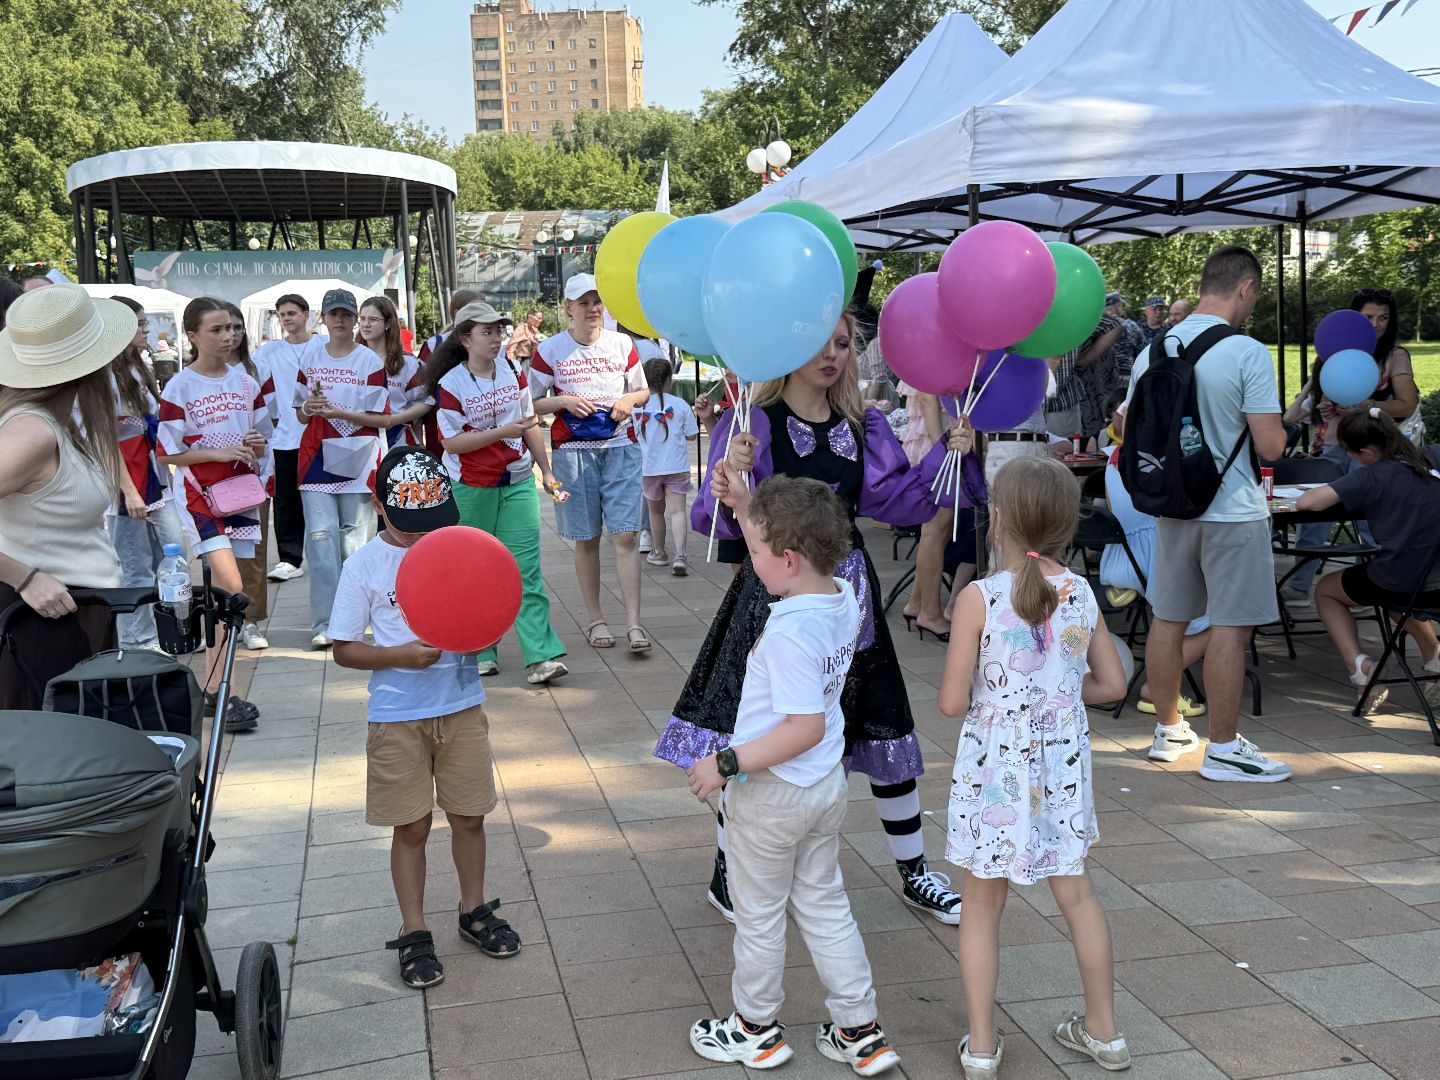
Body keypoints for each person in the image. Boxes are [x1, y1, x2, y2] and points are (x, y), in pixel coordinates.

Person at [655, 312, 980, 926]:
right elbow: (711, 519)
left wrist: (947, 453)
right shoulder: (751, 422)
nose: (833, 355)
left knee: (882, 721)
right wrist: (737, 471)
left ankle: (914, 871)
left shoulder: (865, 424)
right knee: (756, 732)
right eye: (818, 343)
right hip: (770, 602)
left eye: (843, 344)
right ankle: (728, 871)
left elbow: (898, 499)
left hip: (849, 604)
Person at [684, 473, 902, 1076]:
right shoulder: (841, 597)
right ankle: (861, 1031)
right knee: (825, 904)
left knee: (758, 914)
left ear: (786, 559)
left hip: (774, 794)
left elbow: (801, 726)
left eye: (754, 552)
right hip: (823, 788)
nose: (749, 562)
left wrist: (724, 763)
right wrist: (743, 506)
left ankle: (754, 1028)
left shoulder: (787, 632)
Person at [938, 456, 1130, 1079]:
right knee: (1077, 894)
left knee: (981, 904)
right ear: (1066, 524)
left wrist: (1003, 705)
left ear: (997, 519)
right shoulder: (1081, 595)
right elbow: (1113, 682)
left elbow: (952, 701)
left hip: (995, 769)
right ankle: (1104, 1033)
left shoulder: (978, 599)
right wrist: (1060, 699)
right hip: (1063, 767)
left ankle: (984, 1046)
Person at [329, 445, 519, 990]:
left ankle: (474, 910)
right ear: (380, 506)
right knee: (410, 826)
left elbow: (487, 611)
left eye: (432, 523)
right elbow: (344, 648)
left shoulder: (456, 550)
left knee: (470, 815)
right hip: (396, 715)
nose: (421, 536)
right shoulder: (364, 563)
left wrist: (486, 629)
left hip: (460, 707)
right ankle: (414, 930)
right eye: (411, 525)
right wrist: (398, 656)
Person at [1123, 245, 1290, 781]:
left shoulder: (1155, 349)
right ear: (1244, 288)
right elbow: (1270, 447)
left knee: (1168, 617)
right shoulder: (1246, 352)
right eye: (1254, 296)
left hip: (1172, 506)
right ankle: (1223, 747)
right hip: (1233, 510)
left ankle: (1169, 730)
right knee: (1230, 627)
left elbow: (1127, 428)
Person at [0, 285, 127, 709]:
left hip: (69, 616)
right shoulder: (32, 430)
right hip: (41, 622)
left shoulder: (53, 423)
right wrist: (23, 576)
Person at [431, 300, 569, 686]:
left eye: (498, 331)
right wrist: (499, 433)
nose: (496, 339)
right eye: (486, 332)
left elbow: (528, 426)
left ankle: (541, 655)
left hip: (518, 482)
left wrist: (547, 471)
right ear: (465, 339)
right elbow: (452, 443)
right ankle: (481, 649)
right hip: (471, 487)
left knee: (525, 570)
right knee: (476, 572)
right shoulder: (450, 384)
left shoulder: (513, 371)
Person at [157, 297, 271, 731]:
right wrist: (216, 451)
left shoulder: (245, 381)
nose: (228, 336)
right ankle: (221, 692)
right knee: (230, 587)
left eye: (232, 328)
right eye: (217, 329)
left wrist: (255, 444)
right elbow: (166, 451)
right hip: (198, 498)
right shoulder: (179, 386)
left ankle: (216, 691)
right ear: (192, 335)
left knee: (222, 595)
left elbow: (263, 432)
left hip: (239, 493)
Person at [529, 273, 651, 652]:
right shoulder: (550, 350)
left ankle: (634, 623)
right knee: (587, 539)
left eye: (597, 301)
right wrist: (563, 402)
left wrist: (629, 401)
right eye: (583, 302)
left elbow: (643, 390)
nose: (592, 309)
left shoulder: (622, 343)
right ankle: (596, 620)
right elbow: (528, 403)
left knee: (627, 535)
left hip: (620, 448)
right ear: (568, 309)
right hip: (572, 456)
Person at [1281, 287, 1421, 602]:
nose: (1377, 324)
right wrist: (1324, 407)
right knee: (1312, 519)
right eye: (1369, 317)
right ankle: (1298, 585)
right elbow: (1312, 403)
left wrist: (1368, 404)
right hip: (1331, 445)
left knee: (1370, 520)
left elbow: (1406, 405)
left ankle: (1372, 588)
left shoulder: (1394, 356)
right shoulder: (1331, 354)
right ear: (1353, 318)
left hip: (1371, 449)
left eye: (1384, 317)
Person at [1296, 409, 1440, 699]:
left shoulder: (1371, 476)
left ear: (1368, 452)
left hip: (1402, 579)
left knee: (1327, 590)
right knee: (1395, 592)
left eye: (1352, 454)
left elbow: (1307, 502)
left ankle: (1361, 667)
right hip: (1433, 578)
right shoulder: (1432, 455)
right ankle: (1434, 655)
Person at [293, 288, 390, 649]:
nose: (340, 320)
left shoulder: (370, 362)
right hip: (316, 457)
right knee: (320, 542)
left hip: (358, 456)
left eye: (347, 315)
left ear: (355, 319)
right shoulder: (310, 356)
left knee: (355, 544)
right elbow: (300, 412)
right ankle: (325, 622)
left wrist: (339, 412)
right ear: (323, 317)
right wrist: (312, 408)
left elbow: (380, 416)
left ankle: (354, 619)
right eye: (334, 314)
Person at [1100, 441, 1209, 719]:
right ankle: (1156, 687)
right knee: (1225, 620)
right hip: (1155, 563)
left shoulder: (1114, 458)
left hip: (1122, 562)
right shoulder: (1171, 455)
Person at [105, 295, 185, 652]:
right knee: (135, 566)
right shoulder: (104, 376)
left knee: (171, 553)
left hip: (153, 475)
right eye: (139, 323)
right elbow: (106, 439)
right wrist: (129, 491)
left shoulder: (138, 364)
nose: (146, 329)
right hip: (127, 479)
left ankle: (168, 630)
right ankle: (138, 641)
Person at [220, 301, 275, 652]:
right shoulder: (189, 381)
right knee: (216, 554)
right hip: (207, 480)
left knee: (252, 551)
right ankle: (221, 619)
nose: (232, 335)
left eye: (238, 328)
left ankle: (250, 621)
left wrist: (262, 456)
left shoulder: (254, 373)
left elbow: (269, 426)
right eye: (224, 328)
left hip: (250, 476)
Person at [254, 293, 317, 584]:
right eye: (282, 314)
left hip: (318, 435)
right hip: (285, 437)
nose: (287, 318)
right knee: (285, 500)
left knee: (319, 497)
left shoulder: (321, 345)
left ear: (306, 314)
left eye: (292, 312)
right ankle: (289, 559)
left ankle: (321, 552)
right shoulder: (269, 351)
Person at [636, 358, 699, 575]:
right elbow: (692, 435)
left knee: (656, 513)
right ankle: (680, 556)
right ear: (669, 379)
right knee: (678, 511)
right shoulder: (680, 404)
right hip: (677, 467)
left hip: (649, 469)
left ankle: (659, 552)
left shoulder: (638, 407)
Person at [358, 295, 433, 450]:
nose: (365, 324)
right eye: (362, 319)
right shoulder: (351, 360)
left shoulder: (408, 364)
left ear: (387, 323)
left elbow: (427, 400)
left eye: (372, 319)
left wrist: (393, 419)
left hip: (397, 442)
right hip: (357, 441)